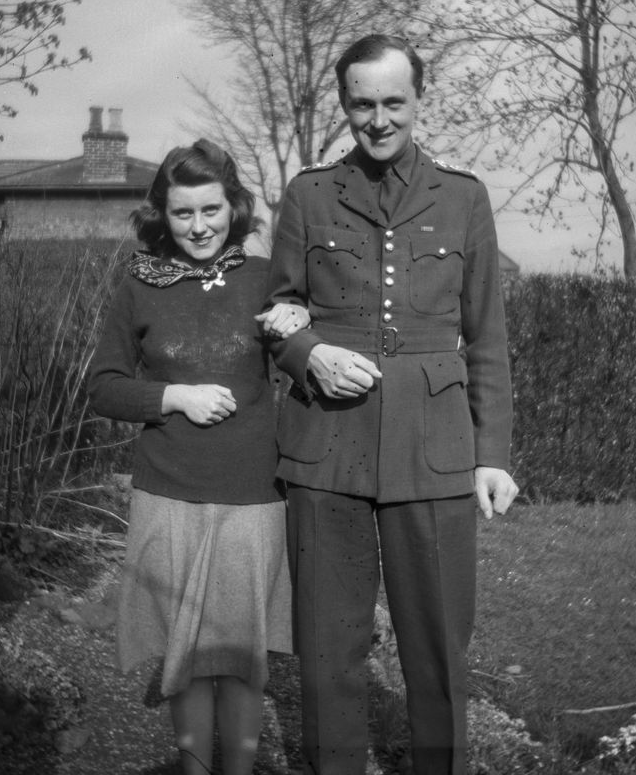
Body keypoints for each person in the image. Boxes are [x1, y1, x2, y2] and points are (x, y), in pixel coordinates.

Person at [262, 34, 519, 775]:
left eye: (393, 102)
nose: (378, 120)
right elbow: (279, 310)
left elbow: (488, 338)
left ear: (419, 101)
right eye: (362, 104)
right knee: (327, 651)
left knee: (438, 650)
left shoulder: (463, 196)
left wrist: (492, 453)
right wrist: (309, 353)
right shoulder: (310, 193)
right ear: (345, 104)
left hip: (433, 450)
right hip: (325, 448)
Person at [89, 138, 309, 775]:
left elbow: (301, 360)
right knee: (185, 658)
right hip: (168, 492)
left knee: (241, 657)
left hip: (252, 493)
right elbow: (102, 386)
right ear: (163, 214)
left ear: (233, 207)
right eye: (183, 213)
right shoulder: (139, 286)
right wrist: (174, 396)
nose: (199, 226)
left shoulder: (267, 278)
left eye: (211, 210)